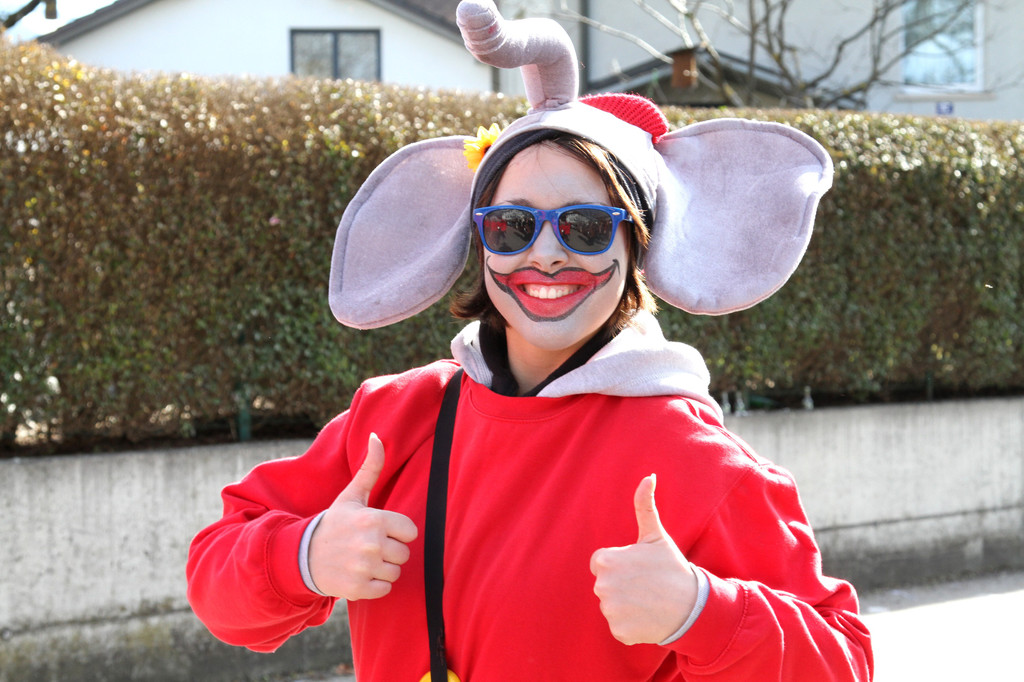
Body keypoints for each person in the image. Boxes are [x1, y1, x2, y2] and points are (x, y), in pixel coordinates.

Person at [186, 2, 873, 680]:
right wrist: (303, 557)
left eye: (586, 227)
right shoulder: (395, 418)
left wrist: (701, 612)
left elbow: (842, 663)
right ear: (480, 239)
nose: (544, 254)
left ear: (637, 244)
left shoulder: (697, 460)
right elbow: (216, 584)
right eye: (512, 226)